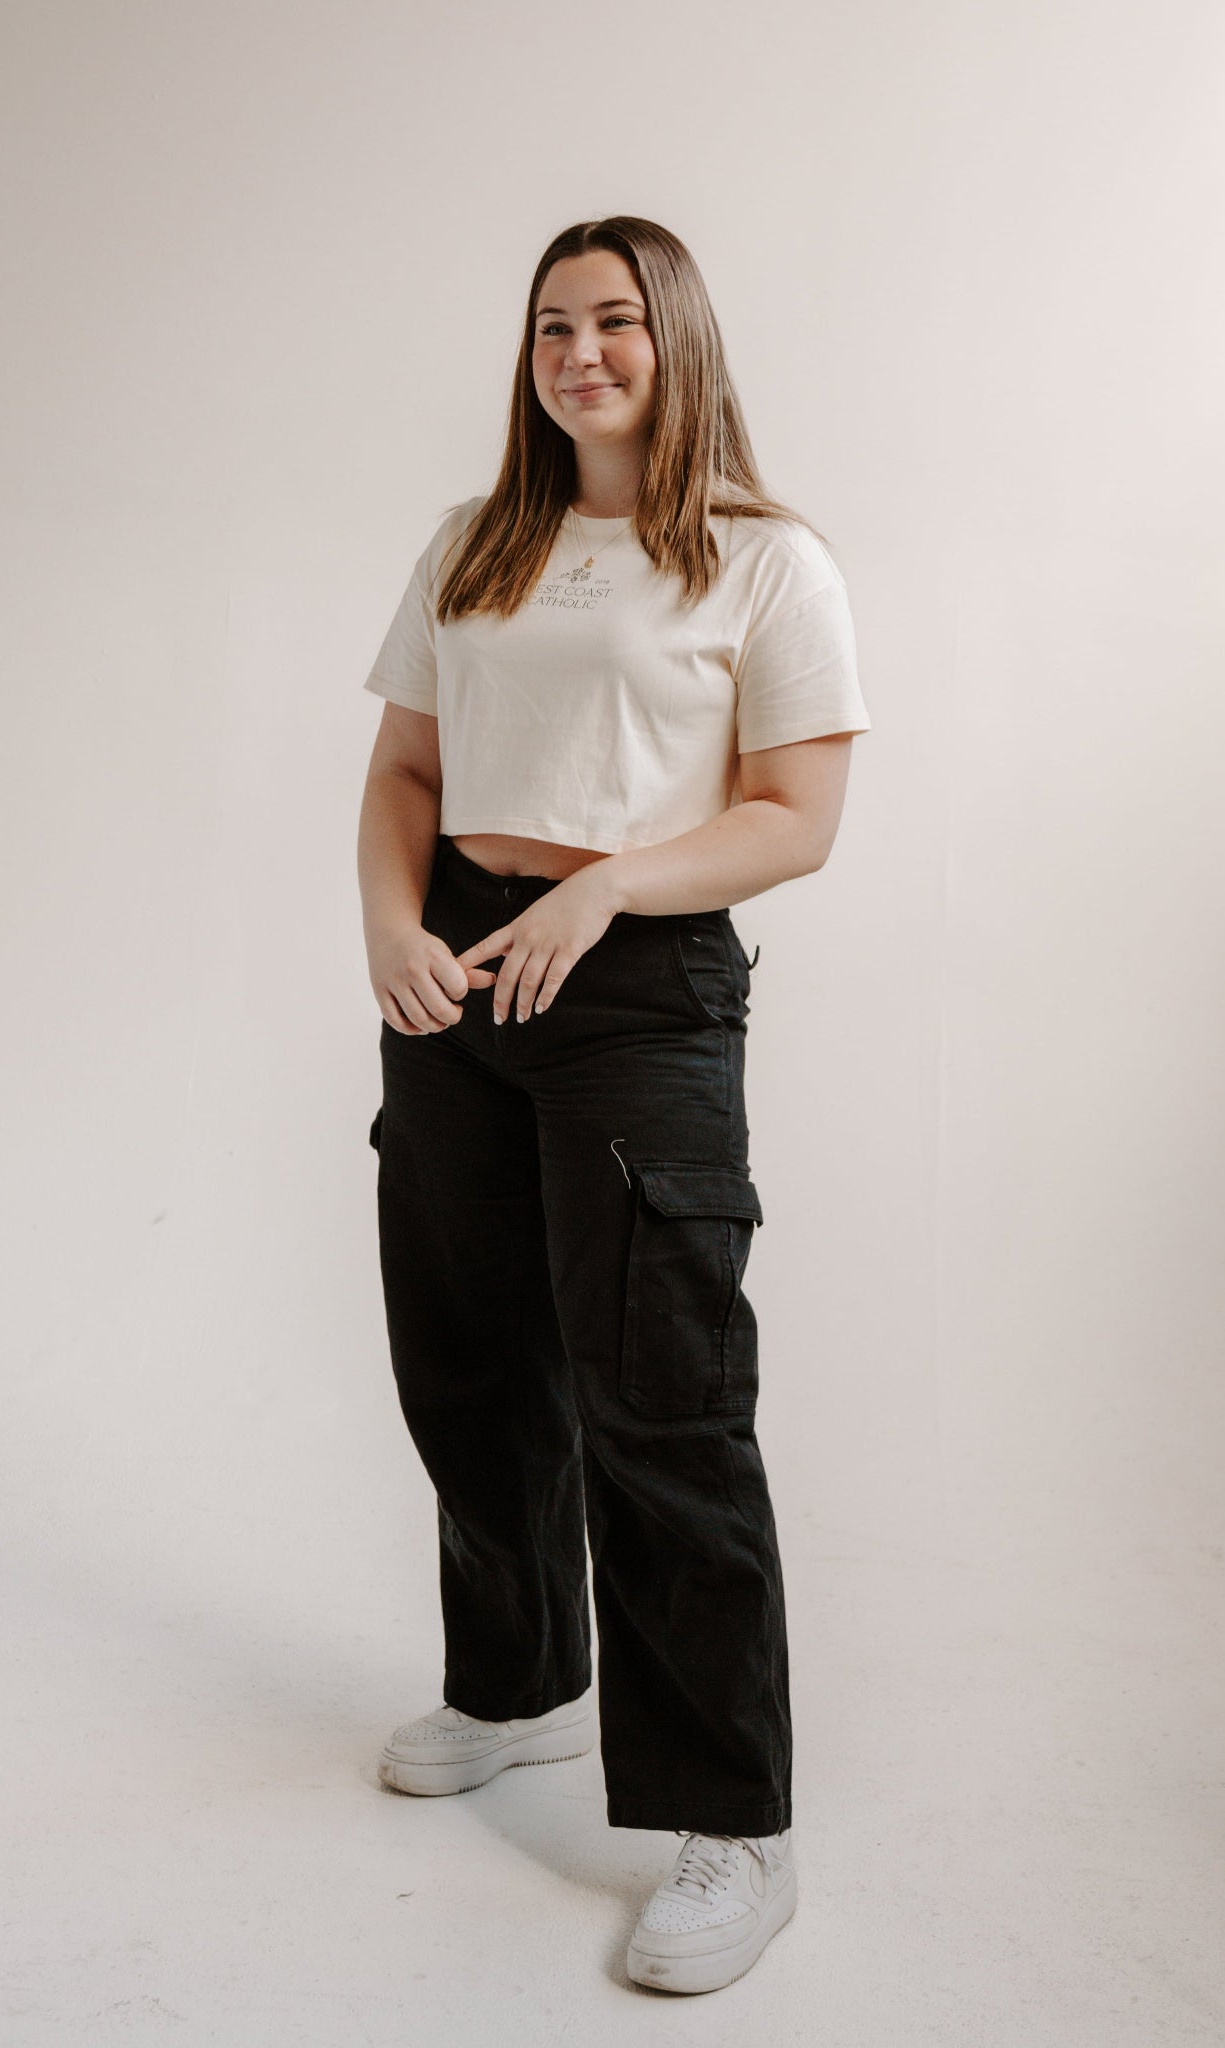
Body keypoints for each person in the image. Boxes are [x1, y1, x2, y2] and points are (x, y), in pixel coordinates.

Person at [354, 215, 871, 1996]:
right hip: (457, 970)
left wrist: (609, 888)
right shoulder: (477, 541)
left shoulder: (762, 561)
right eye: (553, 327)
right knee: (468, 1360)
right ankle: (517, 1689)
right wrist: (391, 929)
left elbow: (795, 817)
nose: (581, 354)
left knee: (660, 1397)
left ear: (679, 342)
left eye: (616, 323)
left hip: (639, 986)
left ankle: (737, 1825)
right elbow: (405, 766)